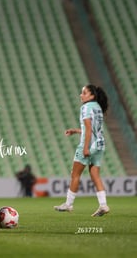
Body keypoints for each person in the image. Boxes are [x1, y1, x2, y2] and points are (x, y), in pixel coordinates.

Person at [54, 85, 110, 217]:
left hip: (89, 145)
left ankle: (68, 204)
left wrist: (85, 148)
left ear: (92, 96)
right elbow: (94, 129)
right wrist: (76, 131)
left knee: (75, 174)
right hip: (100, 144)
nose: (81, 95)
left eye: (84, 93)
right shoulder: (98, 108)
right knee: (95, 174)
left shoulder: (85, 107)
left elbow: (89, 129)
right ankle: (103, 205)